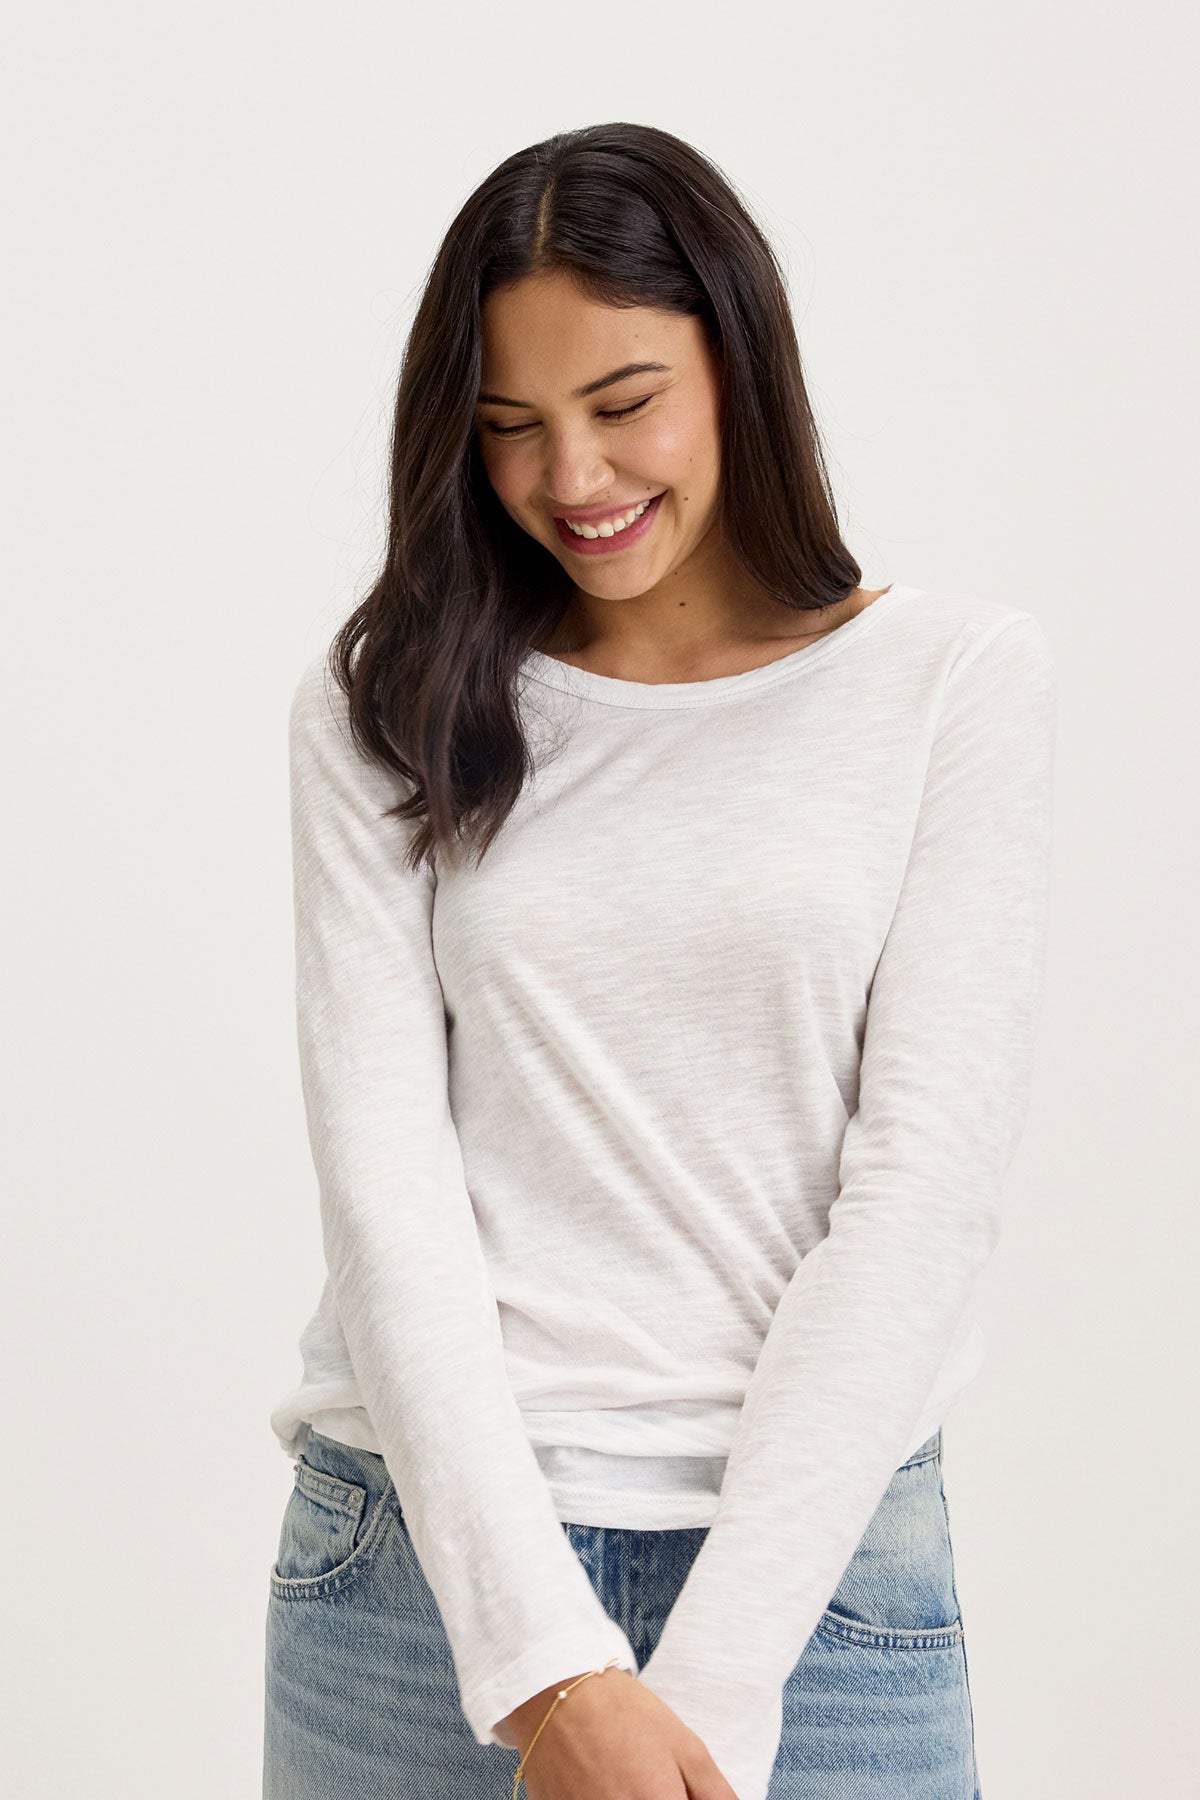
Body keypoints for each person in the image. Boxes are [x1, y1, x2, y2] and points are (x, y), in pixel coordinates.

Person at [262, 122, 1058, 1800]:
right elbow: (387, 1191)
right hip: (422, 1580)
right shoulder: (384, 707)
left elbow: (921, 1188)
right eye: (508, 430)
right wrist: (552, 1674)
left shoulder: (949, 682)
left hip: (818, 1589)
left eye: (624, 405)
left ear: (739, 362)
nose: (574, 481)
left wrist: (707, 1680)